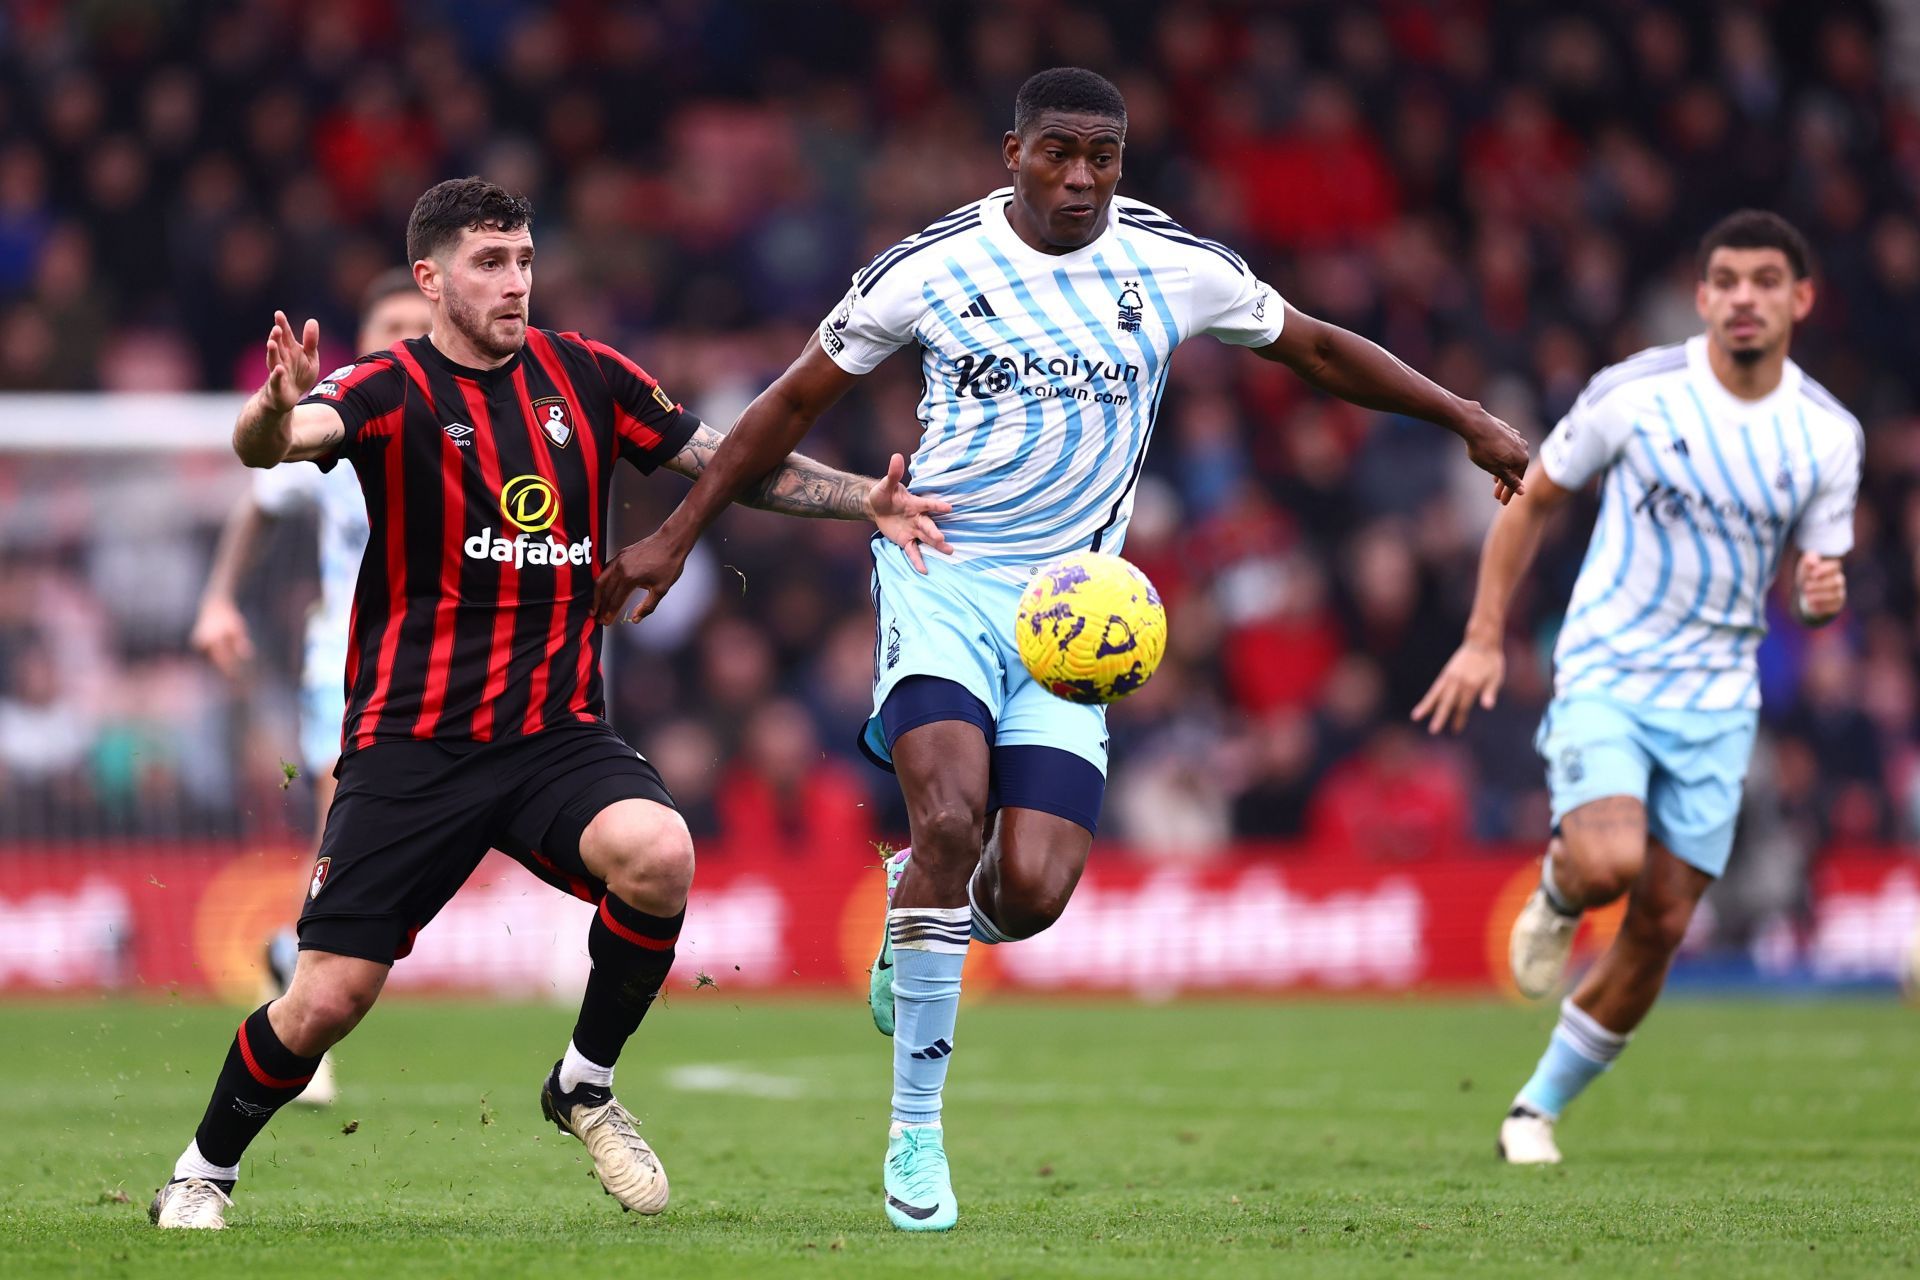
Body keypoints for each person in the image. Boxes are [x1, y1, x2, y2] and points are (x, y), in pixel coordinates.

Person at [591, 68, 1530, 1231]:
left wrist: (1472, 419)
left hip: (1074, 609)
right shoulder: (930, 267)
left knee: (1030, 890)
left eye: (1103, 155)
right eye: (1057, 153)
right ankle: (917, 1132)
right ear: (1011, 153)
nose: (1080, 177)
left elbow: (1322, 350)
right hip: (938, 576)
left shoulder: (1171, 264)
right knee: (948, 817)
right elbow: (790, 404)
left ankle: (917, 907)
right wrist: (679, 532)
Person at [148, 176, 950, 1229]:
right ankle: (204, 1166)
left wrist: (865, 500)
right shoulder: (388, 388)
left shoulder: (588, 375)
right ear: (431, 278)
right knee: (329, 997)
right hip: (413, 744)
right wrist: (271, 404)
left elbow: (728, 461)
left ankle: (582, 1080)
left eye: (525, 259)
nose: (515, 281)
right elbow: (277, 447)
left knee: (661, 853)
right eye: (490, 263)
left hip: (552, 735)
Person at [1412, 210, 1861, 1164]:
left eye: (1766, 281)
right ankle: (1559, 889)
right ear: (1702, 299)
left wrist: (1820, 599)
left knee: (1659, 925)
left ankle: (1530, 1112)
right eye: (1727, 280)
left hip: (1720, 700)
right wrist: (1486, 636)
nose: (1745, 297)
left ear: (1800, 299)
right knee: (1610, 865)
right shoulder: (1638, 394)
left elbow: (1817, 591)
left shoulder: (1829, 436)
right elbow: (1532, 499)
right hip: (1610, 669)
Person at [189, 267, 432, 1108]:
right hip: (350, 660)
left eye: (418, 320)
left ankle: (297, 968)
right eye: (390, 323)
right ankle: (304, 1013)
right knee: (348, 821)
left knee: (394, 848)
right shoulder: (345, 412)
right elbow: (261, 497)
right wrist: (219, 598)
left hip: (443, 670)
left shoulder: (466, 414)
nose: (406, 334)